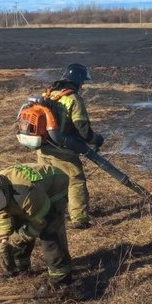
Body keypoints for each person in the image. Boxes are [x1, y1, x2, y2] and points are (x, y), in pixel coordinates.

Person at [0, 163, 74, 292]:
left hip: (56, 185)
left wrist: (18, 239)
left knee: (50, 232)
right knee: (17, 225)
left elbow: (39, 223)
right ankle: (20, 267)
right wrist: (5, 240)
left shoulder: (25, 194)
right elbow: (2, 213)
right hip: (29, 194)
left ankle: (61, 278)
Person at [36, 63, 104, 229]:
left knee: (47, 182)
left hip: (42, 148)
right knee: (76, 180)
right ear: (78, 81)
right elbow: (84, 133)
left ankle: (44, 214)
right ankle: (79, 219)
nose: (82, 86)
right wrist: (98, 139)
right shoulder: (74, 99)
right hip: (62, 151)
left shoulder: (48, 94)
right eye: (82, 83)